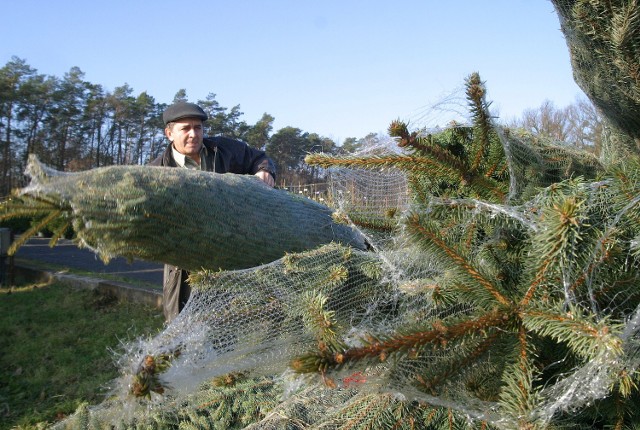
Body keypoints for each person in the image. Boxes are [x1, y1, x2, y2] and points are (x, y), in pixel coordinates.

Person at [150, 101, 276, 321]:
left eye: (197, 127)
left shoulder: (223, 150)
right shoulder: (155, 172)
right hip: (183, 264)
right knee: (182, 323)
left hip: (227, 256)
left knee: (225, 323)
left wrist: (265, 171)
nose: (193, 134)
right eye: (185, 128)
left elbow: (259, 158)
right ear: (169, 133)